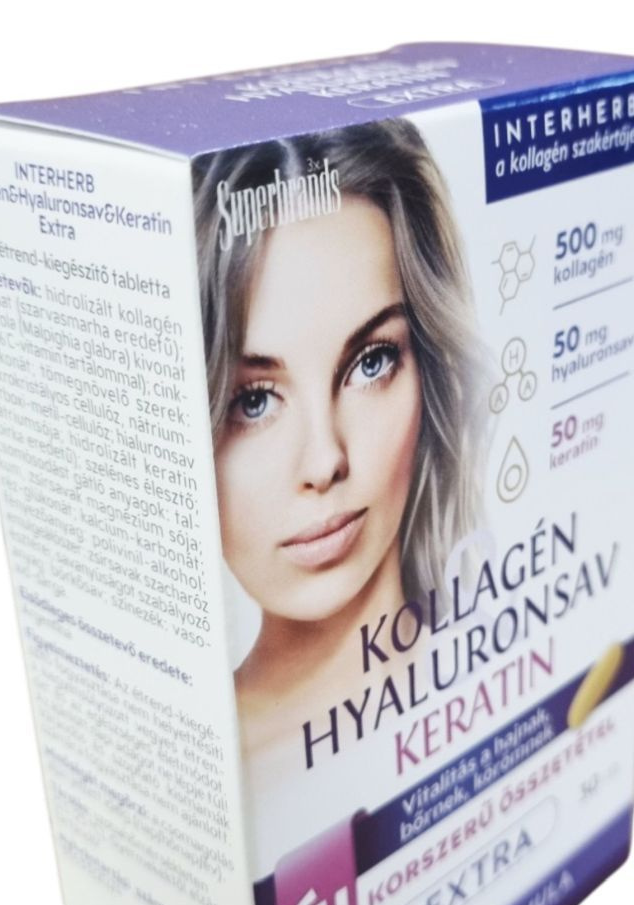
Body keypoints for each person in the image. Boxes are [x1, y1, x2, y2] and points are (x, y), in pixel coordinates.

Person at [194, 119, 485, 761]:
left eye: (371, 363)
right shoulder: (205, 769)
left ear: (429, 370)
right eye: (253, 401)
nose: (325, 461)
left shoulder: (504, 656)